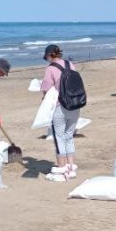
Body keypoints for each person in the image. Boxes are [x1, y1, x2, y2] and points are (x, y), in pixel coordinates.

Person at [41, 45, 79, 182]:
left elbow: (46, 87)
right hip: (75, 105)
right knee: (69, 135)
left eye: (47, 57)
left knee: (59, 137)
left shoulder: (50, 69)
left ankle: (62, 169)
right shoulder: (70, 64)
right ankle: (71, 168)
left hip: (60, 106)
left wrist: (44, 96)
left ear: (50, 55)